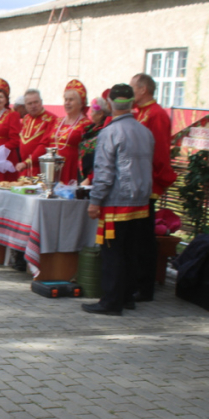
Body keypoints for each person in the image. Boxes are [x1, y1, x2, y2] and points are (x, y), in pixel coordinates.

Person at [83, 84, 154, 316]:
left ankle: (111, 301)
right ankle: (126, 297)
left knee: (112, 253)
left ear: (111, 104)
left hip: (116, 203)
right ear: (133, 103)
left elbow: (104, 173)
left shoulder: (109, 132)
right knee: (130, 251)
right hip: (140, 202)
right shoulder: (145, 131)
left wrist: (95, 201)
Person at [130, 73, 178, 303]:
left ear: (143, 90)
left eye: (132, 87)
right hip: (136, 183)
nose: (130, 92)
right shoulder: (139, 112)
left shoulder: (157, 114)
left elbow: (159, 151)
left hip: (148, 184)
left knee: (144, 239)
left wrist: (157, 183)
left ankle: (145, 287)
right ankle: (135, 281)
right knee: (136, 237)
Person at [48, 80, 93, 184]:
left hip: (71, 168)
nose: (67, 103)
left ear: (81, 103)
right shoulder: (57, 121)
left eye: (71, 100)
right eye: (66, 99)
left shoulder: (86, 124)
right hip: (51, 167)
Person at [16, 88, 58, 177]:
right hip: (24, 169)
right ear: (25, 106)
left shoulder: (51, 119)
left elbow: (44, 145)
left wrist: (26, 162)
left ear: (41, 102)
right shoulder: (25, 119)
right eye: (29, 103)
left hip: (41, 170)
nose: (33, 106)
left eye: (36, 102)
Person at [78, 96, 111, 184]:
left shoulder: (104, 130)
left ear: (100, 114)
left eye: (92, 111)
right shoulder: (90, 129)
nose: (90, 114)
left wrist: (89, 178)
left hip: (96, 178)